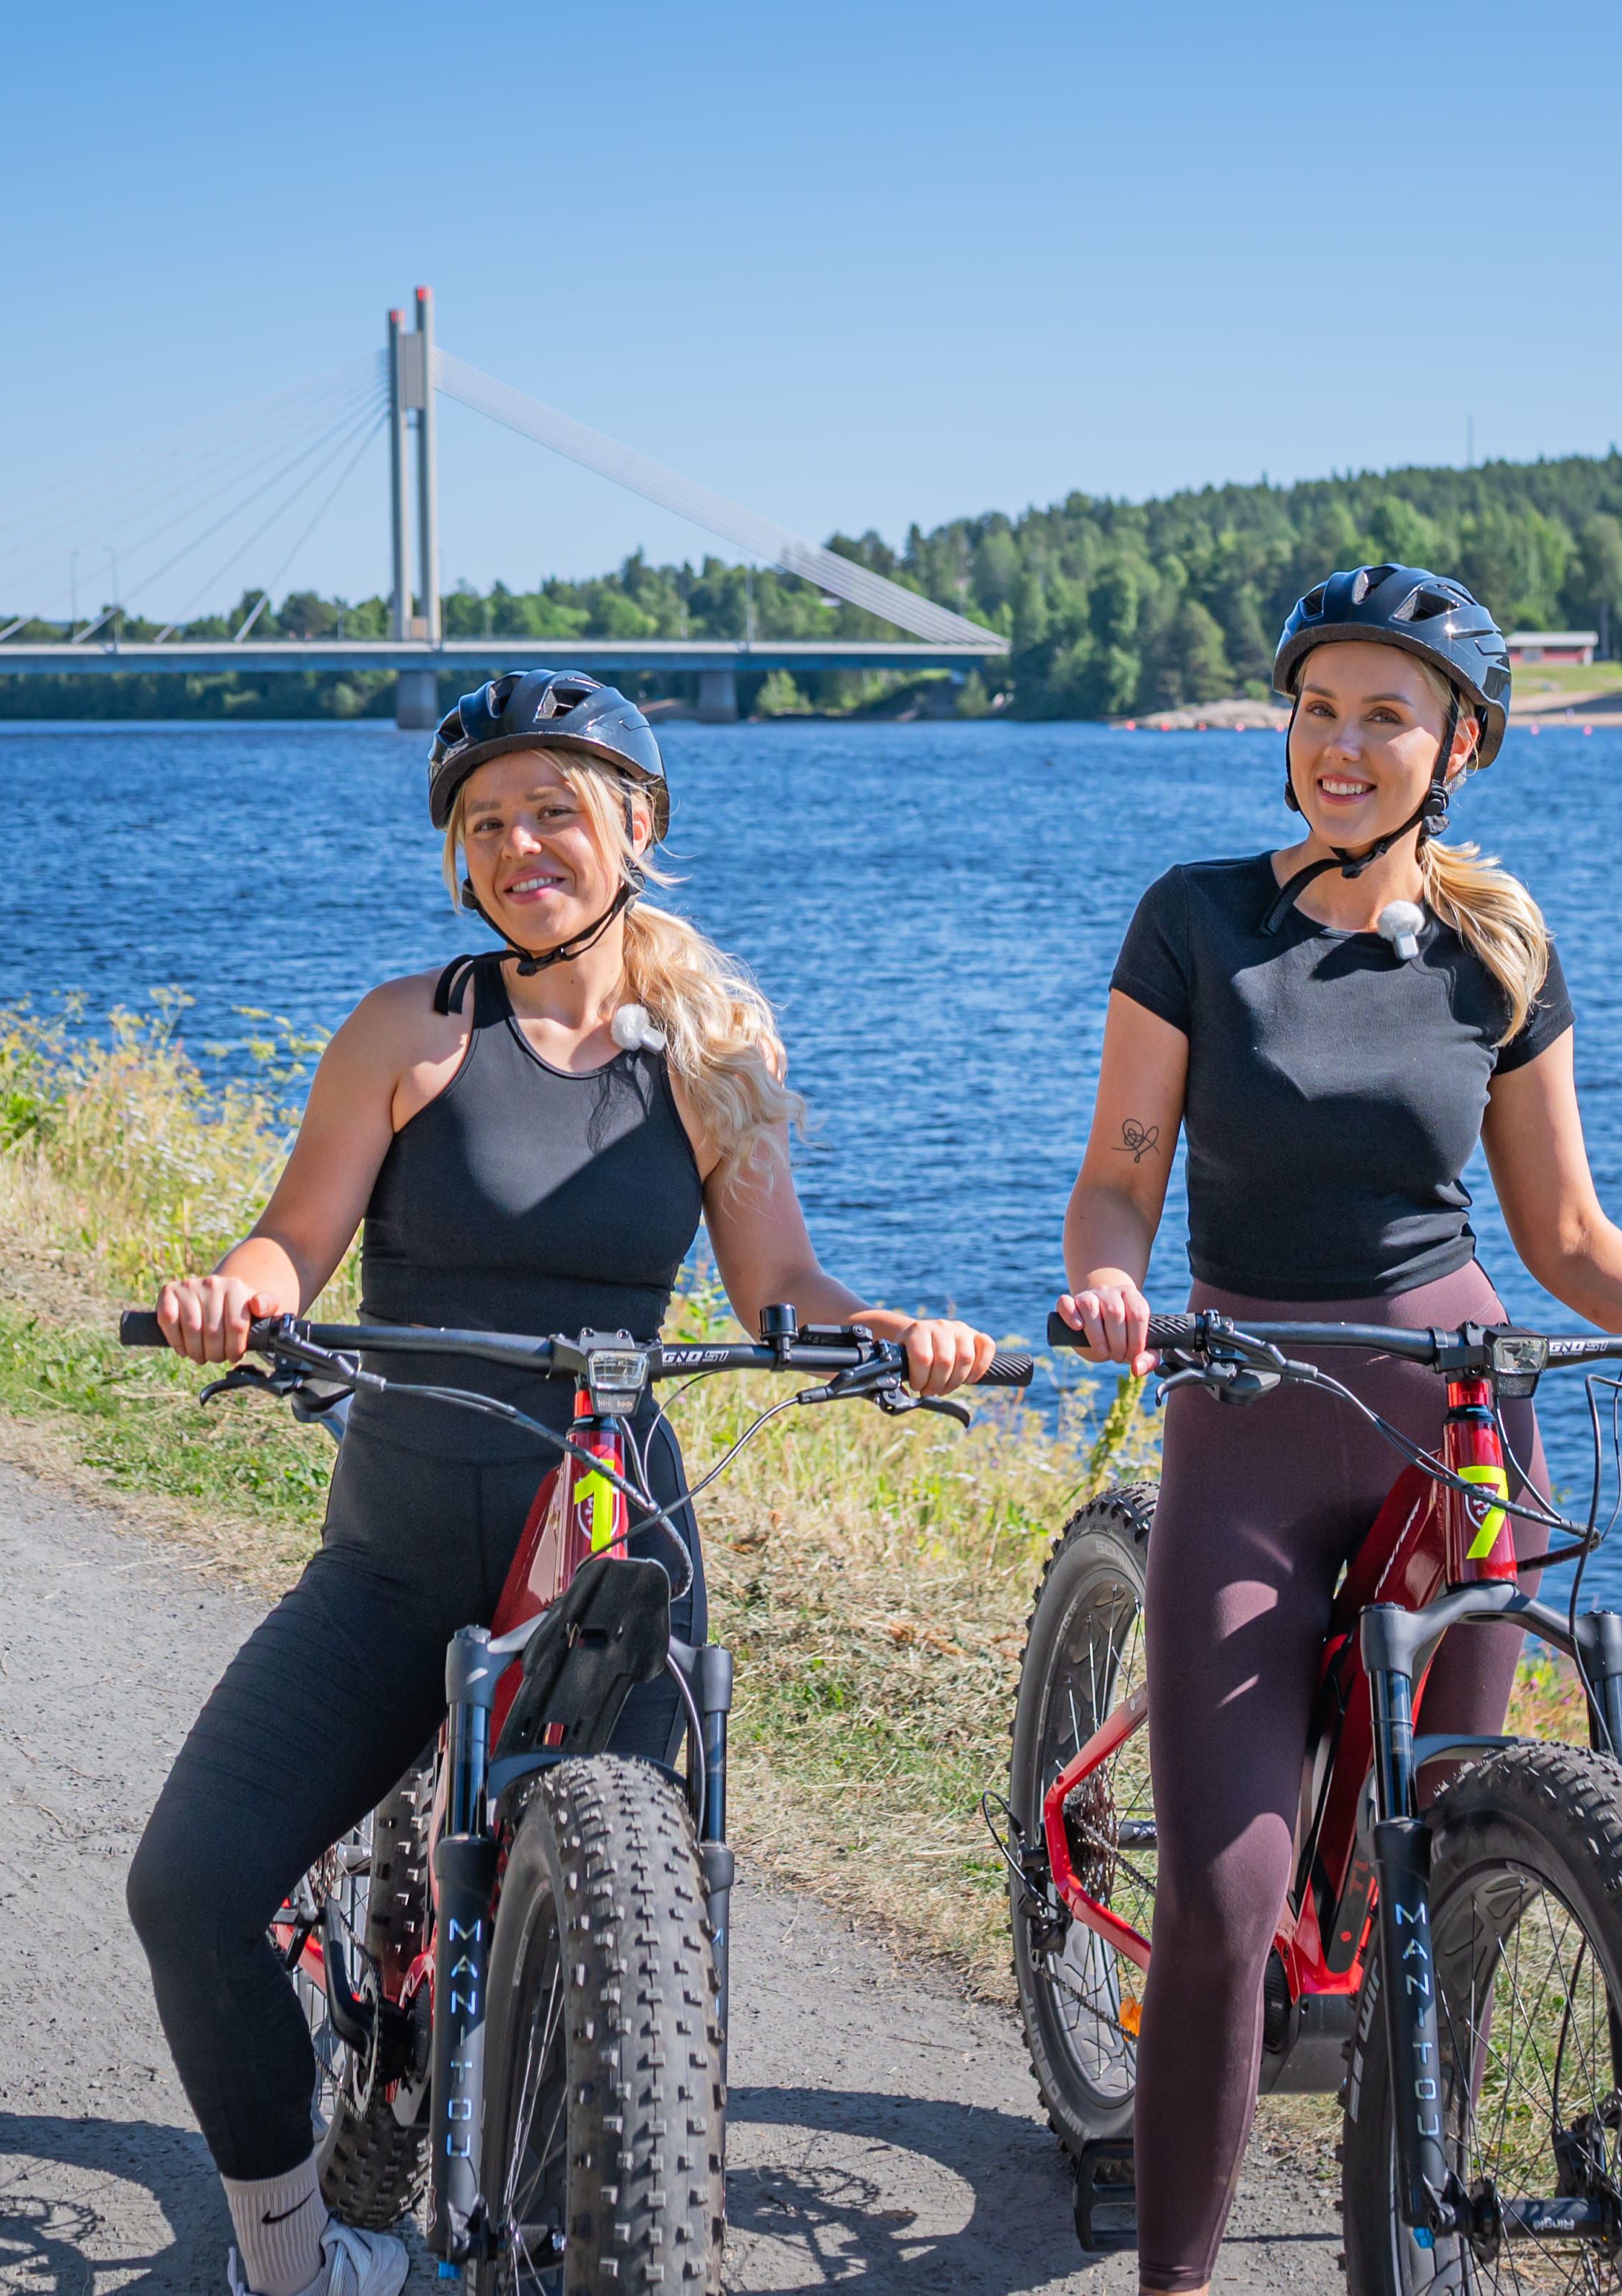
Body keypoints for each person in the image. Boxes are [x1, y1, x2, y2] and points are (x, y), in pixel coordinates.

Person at [131, 670, 997, 2296]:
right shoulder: (414, 1029)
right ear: (456, 857)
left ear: (634, 831)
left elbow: (777, 1291)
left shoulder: (708, 1045)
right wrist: (237, 1294)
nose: (520, 843)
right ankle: (293, 2257)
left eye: (555, 812)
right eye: (485, 822)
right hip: (392, 1552)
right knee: (187, 1888)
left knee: (630, 1938)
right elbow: (294, 1236)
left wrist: (888, 1335)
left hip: (609, 1553)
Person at [1050, 566, 1622, 2295]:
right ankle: (1175, 2279)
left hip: (1461, 1430)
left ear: (1457, 746)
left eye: (1384, 717)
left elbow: (1562, 1235)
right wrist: (1112, 1290)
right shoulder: (1194, 920)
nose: (1342, 746)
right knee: (1224, 1891)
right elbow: (1119, 1179)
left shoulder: (1496, 953)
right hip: (1250, 1413)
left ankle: (1406, 2247)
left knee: (1443, 1866)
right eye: (1318, 711)